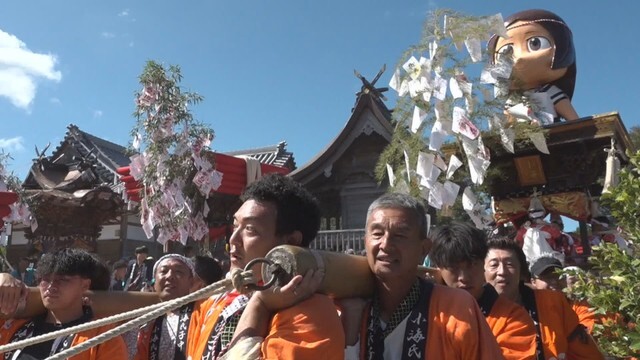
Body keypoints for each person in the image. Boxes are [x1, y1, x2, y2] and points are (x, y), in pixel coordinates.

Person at [187, 173, 344, 359]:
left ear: (291, 241)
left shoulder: (313, 315)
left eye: (250, 230)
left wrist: (260, 304)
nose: (233, 239)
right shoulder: (213, 302)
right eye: (235, 225)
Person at [338, 193, 502, 359]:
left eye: (400, 235)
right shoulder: (343, 309)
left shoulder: (458, 307)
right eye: (377, 233)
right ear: (365, 241)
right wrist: (351, 330)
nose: (385, 244)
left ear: (424, 249)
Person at [429, 222, 537, 359]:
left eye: (472, 265)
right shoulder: (426, 310)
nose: (464, 277)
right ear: (439, 269)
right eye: (453, 268)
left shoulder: (513, 318)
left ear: (483, 264)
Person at [485, 237, 604, 359]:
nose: (502, 271)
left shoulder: (554, 303)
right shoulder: (473, 313)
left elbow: (585, 353)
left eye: (510, 264)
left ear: (522, 272)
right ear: (482, 271)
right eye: (494, 265)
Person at [0, 248, 128, 359]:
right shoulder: (14, 325)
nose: (51, 287)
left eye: (62, 280)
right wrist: (3, 277)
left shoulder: (103, 337)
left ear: (85, 285)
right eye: (45, 279)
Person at [488, 9, 578, 123]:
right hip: (522, 137)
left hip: (552, 135)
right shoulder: (512, 100)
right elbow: (508, 124)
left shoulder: (550, 91)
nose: (519, 57)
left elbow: (574, 120)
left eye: (535, 43)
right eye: (506, 51)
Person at [135, 254, 198, 360]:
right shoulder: (146, 320)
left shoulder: (202, 312)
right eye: (164, 271)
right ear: (154, 281)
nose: (170, 276)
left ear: (191, 282)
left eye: (178, 272)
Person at [530, 256, 599, 334]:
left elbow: (587, 334)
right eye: (547, 277)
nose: (554, 281)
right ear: (533, 282)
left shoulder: (580, 306)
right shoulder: (527, 310)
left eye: (557, 276)